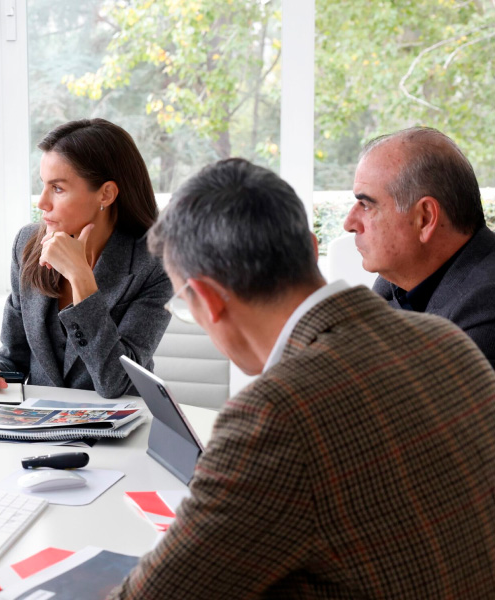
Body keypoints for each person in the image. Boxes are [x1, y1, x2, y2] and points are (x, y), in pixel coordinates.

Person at [110, 159, 495, 598]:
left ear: (209, 300)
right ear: (310, 248)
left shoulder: (275, 414)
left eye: (185, 302)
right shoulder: (446, 339)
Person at [0, 118, 172, 398]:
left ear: (106, 194)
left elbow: (115, 383)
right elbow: (15, 357)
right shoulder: (28, 245)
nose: (42, 203)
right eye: (43, 186)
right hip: (39, 428)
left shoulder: (156, 264)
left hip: (119, 431)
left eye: (58, 188)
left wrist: (81, 279)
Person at [344, 126, 495, 368]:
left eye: (366, 204)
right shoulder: (396, 282)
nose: (349, 224)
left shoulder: (484, 310)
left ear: (424, 218)